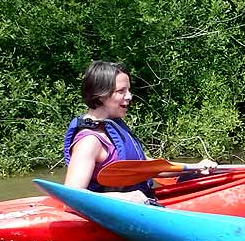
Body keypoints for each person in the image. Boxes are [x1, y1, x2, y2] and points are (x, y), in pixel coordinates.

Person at [63, 61, 216, 202]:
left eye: (128, 90)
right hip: (117, 214)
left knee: (206, 178)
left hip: (144, 201)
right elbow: (72, 196)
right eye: (121, 91)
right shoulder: (89, 141)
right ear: (100, 95)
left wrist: (196, 168)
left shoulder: (113, 127)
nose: (129, 96)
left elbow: (146, 168)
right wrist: (125, 198)